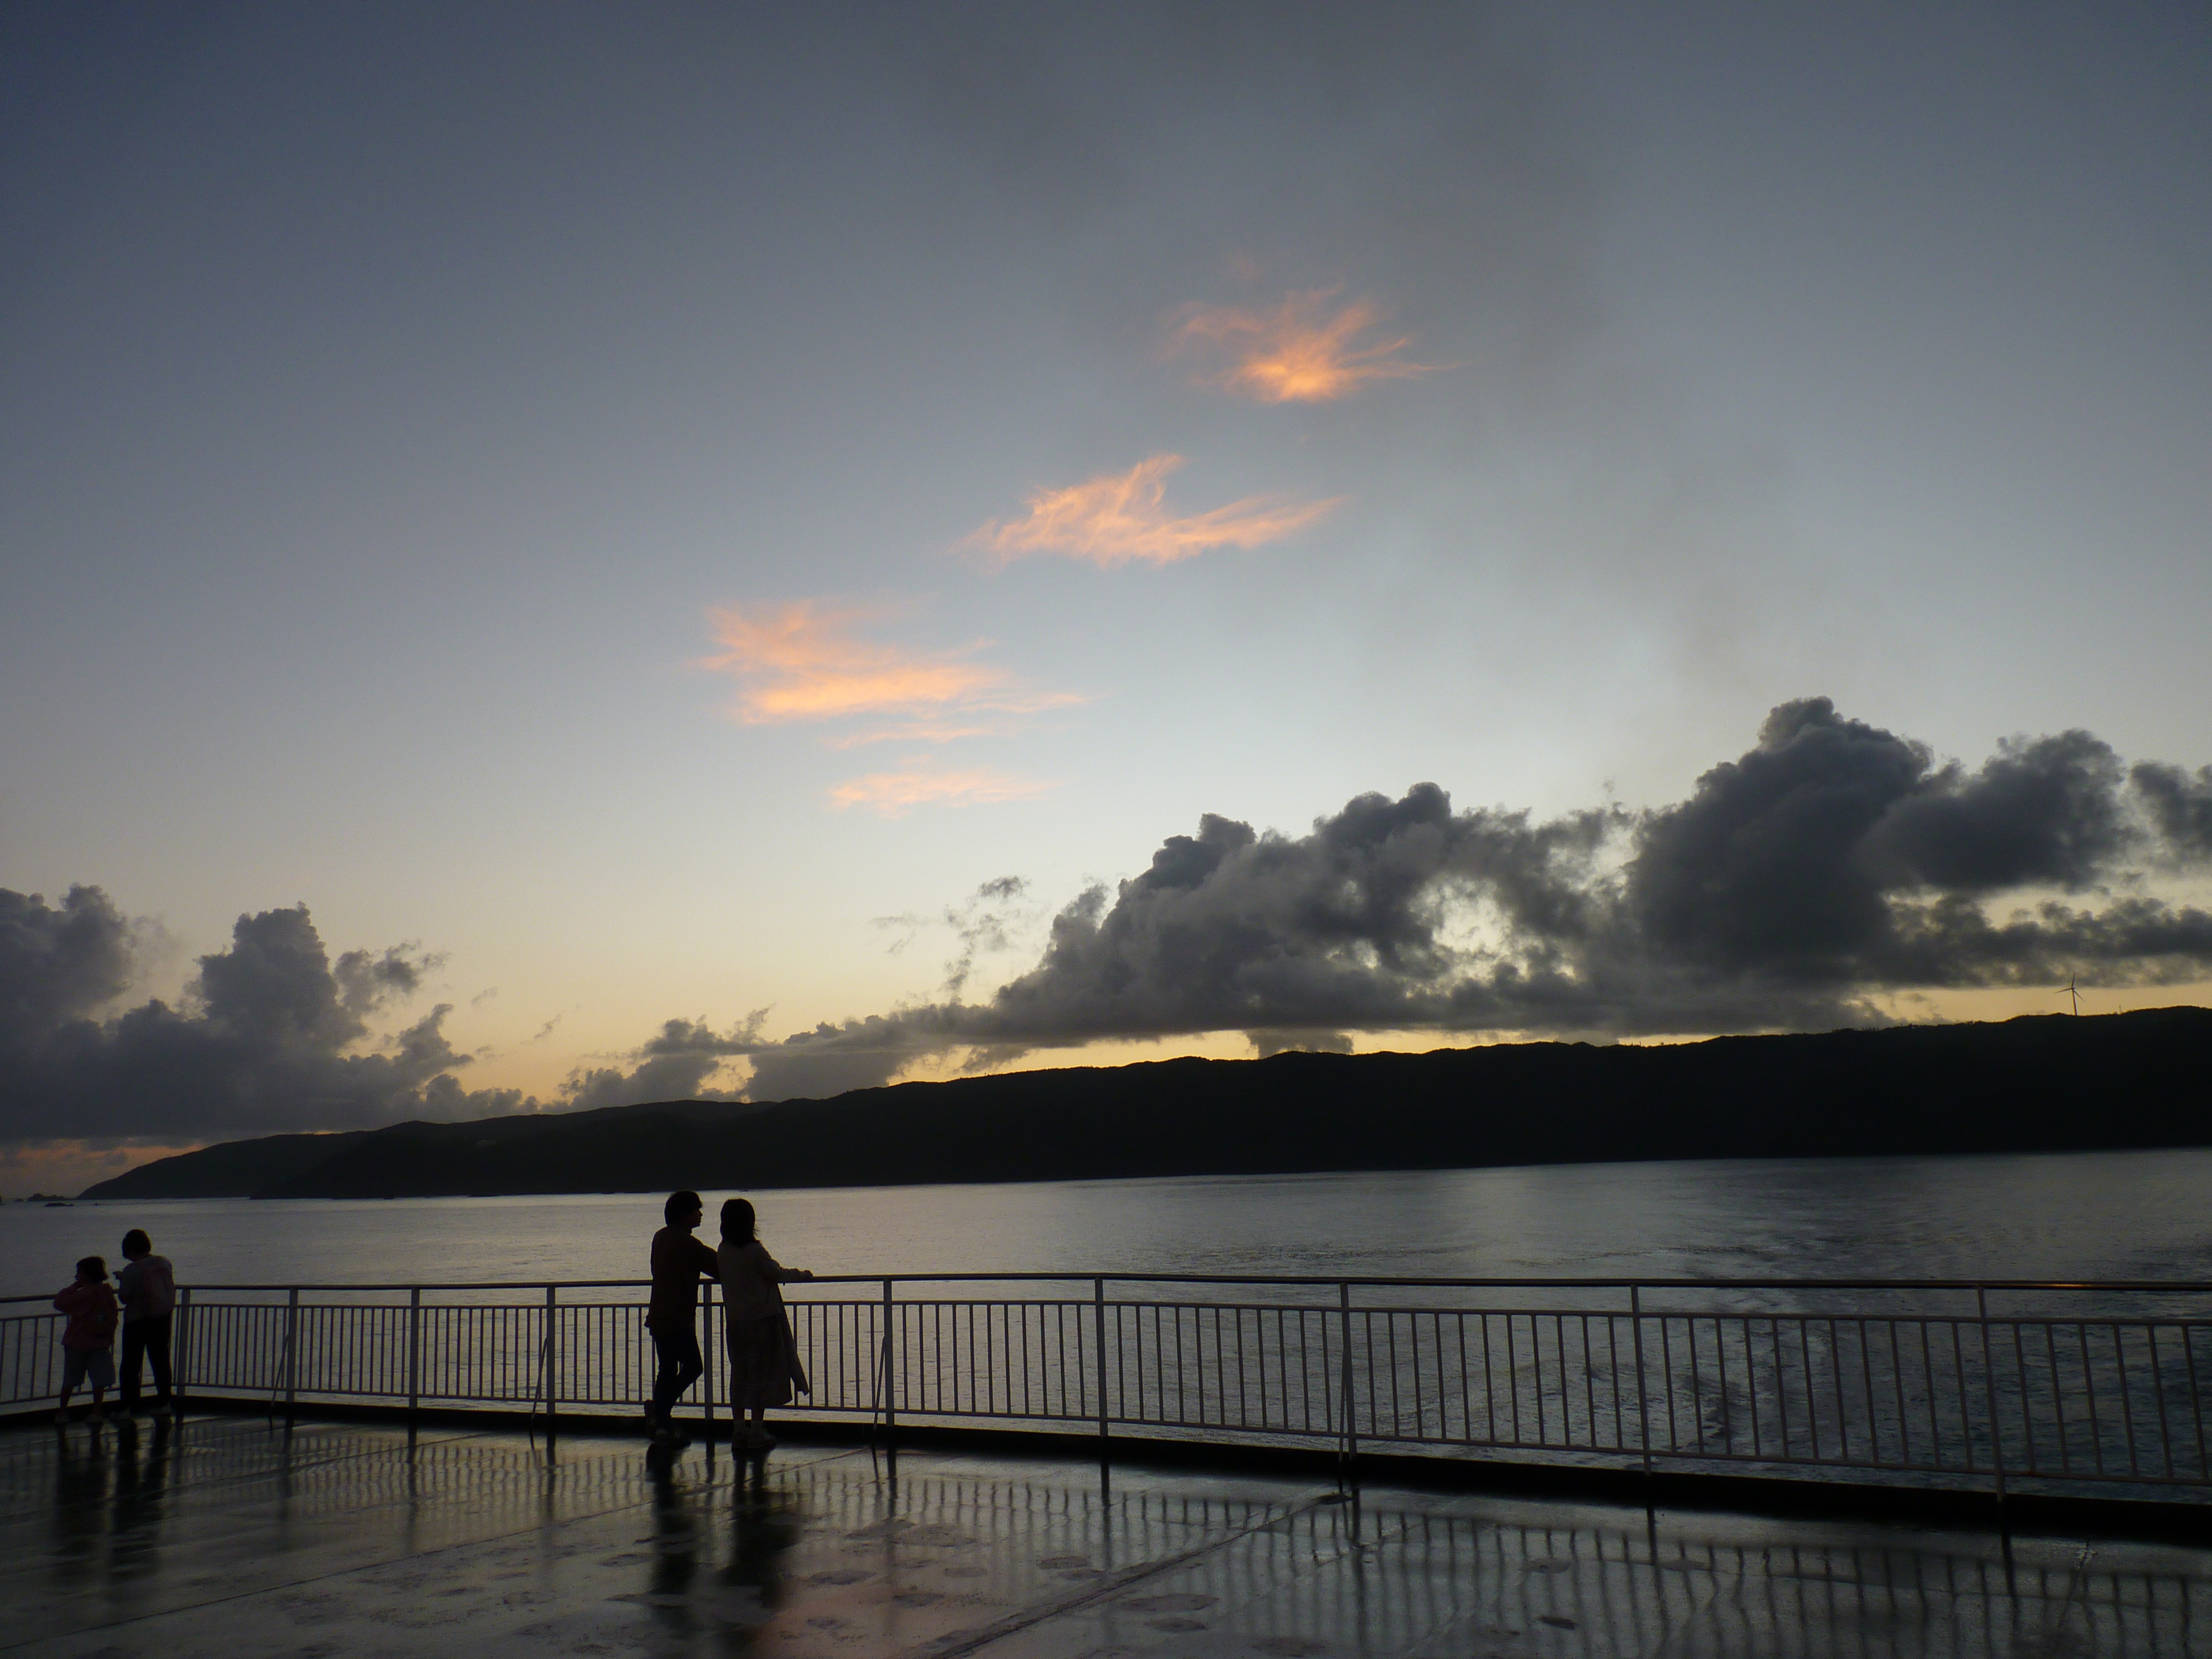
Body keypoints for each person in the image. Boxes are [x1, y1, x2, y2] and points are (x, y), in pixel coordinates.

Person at [715, 1198, 812, 1451]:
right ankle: (757, 1431)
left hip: (735, 1323)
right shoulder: (754, 1252)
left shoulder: (722, 1251)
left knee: (739, 1375)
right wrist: (802, 1275)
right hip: (762, 1322)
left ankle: (739, 1430)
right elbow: (777, 1273)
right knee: (760, 1377)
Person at [645, 1190, 719, 1446]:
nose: (700, 1215)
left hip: (658, 1315)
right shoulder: (687, 1244)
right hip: (678, 1318)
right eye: (695, 1211)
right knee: (693, 1367)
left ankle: (662, 1426)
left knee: (666, 1369)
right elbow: (718, 1267)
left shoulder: (661, 1238)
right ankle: (660, 1412)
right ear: (684, 1215)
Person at [114, 1228, 177, 1415]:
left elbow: (125, 1297)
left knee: (131, 1364)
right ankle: (165, 1402)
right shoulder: (164, 1263)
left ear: (129, 1250)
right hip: (162, 1318)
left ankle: (127, 1406)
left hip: (137, 1321)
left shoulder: (132, 1270)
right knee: (161, 1361)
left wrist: (123, 1280)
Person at [53, 1255, 119, 1426]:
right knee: (99, 1380)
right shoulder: (107, 1292)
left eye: (79, 1272)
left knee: (70, 1379)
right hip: (101, 1341)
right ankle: (97, 1411)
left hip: (78, 1343)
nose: (77, 1276)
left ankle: (62, 1413)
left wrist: (75, 1287)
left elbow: (60, 1303)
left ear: (87, 1275)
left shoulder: (84, 1295)